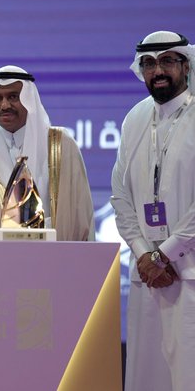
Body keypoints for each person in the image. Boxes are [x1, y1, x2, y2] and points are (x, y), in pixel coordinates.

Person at [111, 31, 195, 391]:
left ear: (186, 66)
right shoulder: (135, 117)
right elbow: (120, 195)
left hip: (189, 274)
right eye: (148, 63)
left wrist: (165, 254)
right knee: (147, 376)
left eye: (167, 61)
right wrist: (144, 254)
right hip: (148, 276)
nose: (157, 71)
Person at [0, 65, 94, 241]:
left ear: (29, 100)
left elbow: (79, 214)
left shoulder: (60, 144)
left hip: (54, 253)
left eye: (13, 97)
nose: (4, 105)